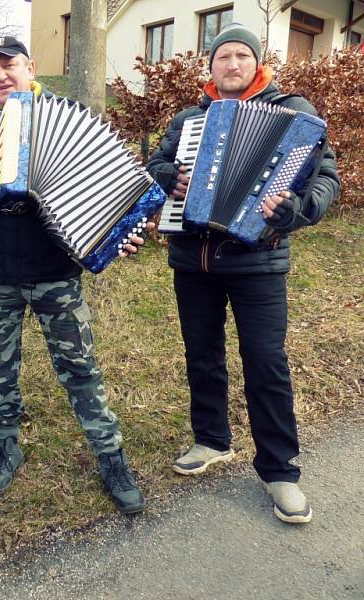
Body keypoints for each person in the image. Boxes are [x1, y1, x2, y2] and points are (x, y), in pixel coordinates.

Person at [0, 37, 149, 514]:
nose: (0, 75)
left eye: (8, 65)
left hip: (55, 271)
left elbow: (105, 182)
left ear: (30, 67)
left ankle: (110, 455)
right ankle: (6, 444)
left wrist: (121, 232)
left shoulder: (66, 117)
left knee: (80, 369)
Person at [146, 23, 340, 524]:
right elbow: (156, 166)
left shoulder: (295, 113)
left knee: (265, 362)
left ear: (256, 62)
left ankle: (280, 470)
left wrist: (293, 211)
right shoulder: (191, 119)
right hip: (194, 259)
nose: (231, 64)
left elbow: (325, 180)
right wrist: (170, 177)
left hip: (259, 263)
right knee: (202, 355)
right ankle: (212, 439)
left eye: (240, 56)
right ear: (210, 66)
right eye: (222, 57)